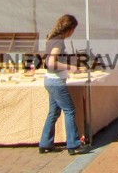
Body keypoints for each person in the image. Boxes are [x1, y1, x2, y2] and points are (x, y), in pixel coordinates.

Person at [38, 14, 91, 155]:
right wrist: (70, 67)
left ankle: (45, 143)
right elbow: (51, 63)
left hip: (50, 80)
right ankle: (73, 144)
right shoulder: (59, 42)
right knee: (70, 110)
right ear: (69, 29)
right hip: (56, 81)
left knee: (53, 112)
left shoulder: (52, 39)